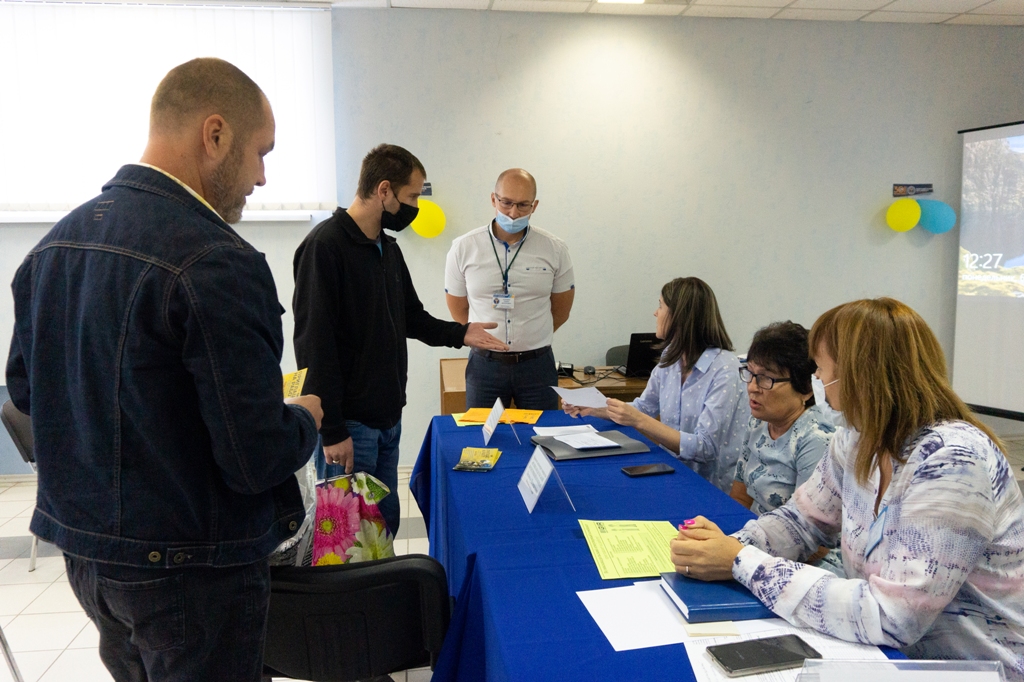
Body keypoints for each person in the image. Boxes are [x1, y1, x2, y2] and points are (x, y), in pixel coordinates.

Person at [5, 58, 324, 682]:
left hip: (90, 557)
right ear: (215, 135)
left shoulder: (53, 247)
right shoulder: (217, 262)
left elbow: (28, 394)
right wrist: (304, 420)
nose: (262, 177)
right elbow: (255, 457)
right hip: (193, 570)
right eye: (261, 153)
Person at [671, 298, 1024, 679]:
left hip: (972, 670)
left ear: (859, 375)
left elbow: (894, 617)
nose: (817, 379)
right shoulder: (856, 439)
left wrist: (742, 562)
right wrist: (724, 547)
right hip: (889, 657)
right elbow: (802, 521)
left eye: (821, 368)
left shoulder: (953, 462)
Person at [292, 144, 507, 535]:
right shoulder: (325, 247)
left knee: (383, 526)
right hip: (350, 424)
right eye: (412, 197)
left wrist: (461, 333)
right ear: (384, 190)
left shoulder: (387, 248)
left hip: (388, 418)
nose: (416, 207)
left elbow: (411, 317)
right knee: (349, 539)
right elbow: (313, 345)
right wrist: (332, 430)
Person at [565, 277, 749, 493]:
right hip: (671, 473)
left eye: (661, 306)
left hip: (712, 487)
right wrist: (594, 408)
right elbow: (644, 408)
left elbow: (705, 448)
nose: (655, 313)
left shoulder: (725, 369)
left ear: (679, 315)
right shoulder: (670, 357)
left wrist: (638, 420)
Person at [445, 168, 575, 410]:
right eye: (506, 203)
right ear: (493, 199)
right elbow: (458, 308)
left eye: (523, 205)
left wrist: (531, 339)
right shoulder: (464, 247)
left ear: (535, 206)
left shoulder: (554, 249)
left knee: (541, 430)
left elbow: (561, 311)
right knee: (483, 432)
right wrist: (485, 341)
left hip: (537, 365)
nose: (513, 213)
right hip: (485, 365)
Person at [730, 321, 841, 575]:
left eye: (766, 378)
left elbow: (814, 541)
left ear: (806, 389)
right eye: (750, 373)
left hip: (802, 562)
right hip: (757, 543)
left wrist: (740, 555)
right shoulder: (759, 421)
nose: (752, 387)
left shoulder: (816, 438)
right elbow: (739, 497)